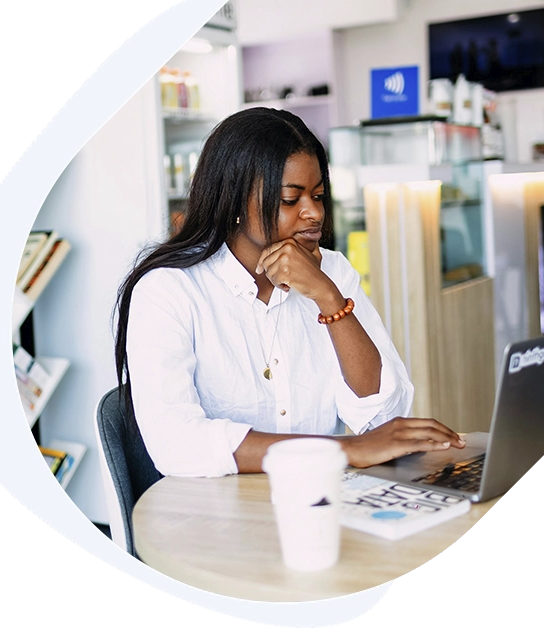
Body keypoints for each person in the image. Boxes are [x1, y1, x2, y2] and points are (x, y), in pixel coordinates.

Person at [113, 107, 465, 477]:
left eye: (318, 196)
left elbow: (383, 419)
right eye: (289, 199)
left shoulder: (332, 272)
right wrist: (345, 450)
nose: (313, 213)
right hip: (218, 515)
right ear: (233, 201)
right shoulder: (169, 290)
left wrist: (328, 298)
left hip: (321, 502)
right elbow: (177, 445)